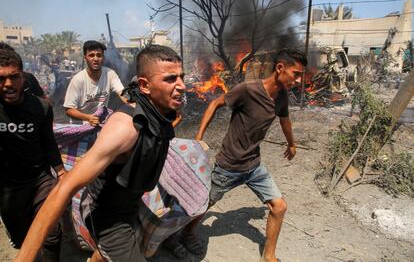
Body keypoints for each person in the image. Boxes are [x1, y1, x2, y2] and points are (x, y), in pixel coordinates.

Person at [15, 45, 186, 262]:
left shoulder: (162, 108)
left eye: (181, 77)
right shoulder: (125, 129)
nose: (181, 85)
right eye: (171, 79)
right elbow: (64, 189)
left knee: (106, 255)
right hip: (108, 216)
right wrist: (25, 258)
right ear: (144, 85)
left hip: (129, 205)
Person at [191, 48, 307, 262]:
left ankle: (269, 256)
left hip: (253, 165)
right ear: (280, 68)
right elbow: (215, 103)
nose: (299, 80)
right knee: (201, 204)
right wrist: (198, 138)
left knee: (279, 207)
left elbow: (285, 120)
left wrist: (292, 144)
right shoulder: (247, 90)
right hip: (229, 166)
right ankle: (182, 234)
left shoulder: (282, 96)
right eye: (296, 74)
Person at [0, 49, 65, 261]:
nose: (8, 84)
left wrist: (62, 173)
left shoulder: (41, 107)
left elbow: (49, 142)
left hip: (40, 180)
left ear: (23, 76)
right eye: (1, 78)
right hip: (7, 188)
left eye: (13, 76)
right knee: (23, 240)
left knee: (52, 234)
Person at [63, 40, 127, 125]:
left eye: (99, 55)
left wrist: (134, 104)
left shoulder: (110, 74)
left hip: (101, 123)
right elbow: (69, 109)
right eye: (91, 55)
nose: (95, 59)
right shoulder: (78, 80)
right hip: (81, 126)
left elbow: (123, 94)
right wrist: (88, 118)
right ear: (85, 58)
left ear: (103, 58)